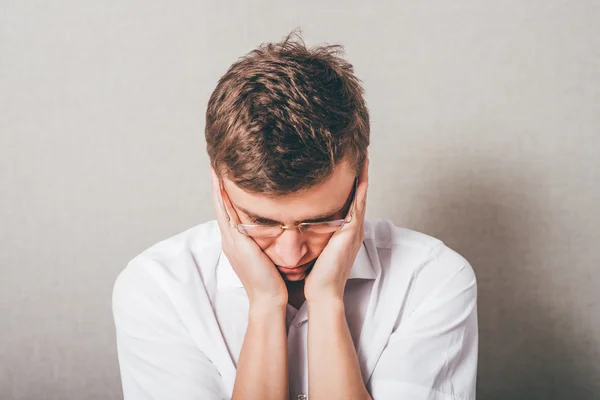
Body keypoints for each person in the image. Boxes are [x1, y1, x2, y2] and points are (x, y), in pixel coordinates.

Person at [112, 30, 478, 400]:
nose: (292, 253)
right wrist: (266, 307)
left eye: (321, 219)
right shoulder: (158, 289)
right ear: (219, 185)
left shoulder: (432, 281)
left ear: (360, 179)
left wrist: (327, 303)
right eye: (261, 221)